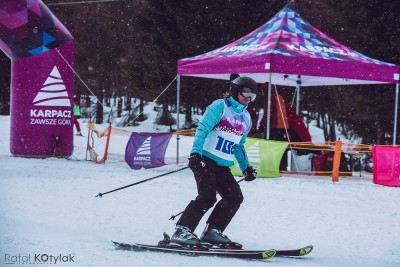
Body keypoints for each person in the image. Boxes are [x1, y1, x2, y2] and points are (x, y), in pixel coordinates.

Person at [171, 76, 258, 249]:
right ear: (235, 90)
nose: (248, 98)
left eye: (253, 96)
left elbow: (239, 145)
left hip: (223, 164)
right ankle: (182, 230)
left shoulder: (246, 118)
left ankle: (213, 231)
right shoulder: (220, 107)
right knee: (207, 196)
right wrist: (195, 154)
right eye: (245, 93)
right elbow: (202, 129)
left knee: (234, 197)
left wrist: (246, 168)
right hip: (205, 158)